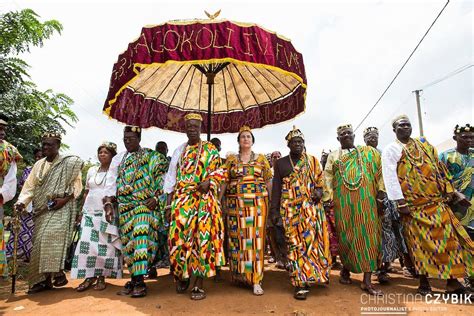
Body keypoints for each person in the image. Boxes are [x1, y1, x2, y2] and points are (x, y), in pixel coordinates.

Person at [382, 115, 473, 295]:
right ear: (394, 130)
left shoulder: (423, 144)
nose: (406, 128)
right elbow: (390, 177)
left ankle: (452, 282)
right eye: (402, 125)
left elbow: (439, 169)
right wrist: (400, 203)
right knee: (419, 245)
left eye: (408, 125)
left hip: (436, 202)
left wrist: (453, 192)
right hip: (413, 206)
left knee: (448, 242)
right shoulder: (391, 149)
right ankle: (424, 283)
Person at [164, 113, 225, 300]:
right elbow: (170, 179)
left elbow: (220, 172)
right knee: (177, 238)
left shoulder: (210, 149)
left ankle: (198, 283)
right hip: (182, 200)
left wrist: (209, 181)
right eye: (189, 127)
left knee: (201, 240)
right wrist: (168, 206)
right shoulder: (179, 151)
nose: (192, 130)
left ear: (201, 128)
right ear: (185, 129)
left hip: (204, 200)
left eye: (195, 127)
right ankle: (183, 274)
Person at [103, 126, 169, 298]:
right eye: (125, 138)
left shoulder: (152, 156)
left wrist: (156, 198)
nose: (127, 141)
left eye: (131, 138)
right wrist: (109, 204)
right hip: (125, 208)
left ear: (139, 138)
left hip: (144, 205)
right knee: (129, 244)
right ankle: (134, 277)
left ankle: (139, 281)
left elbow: (163, 179)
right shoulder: (119, 159)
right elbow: (110, 182)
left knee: (140, 239)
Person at [16, 131, 83, 294]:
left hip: (62, 207)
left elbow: (77, 186)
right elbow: (29, 186)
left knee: (51, 240)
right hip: (42, 209)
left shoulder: (69, 163)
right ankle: (44, 280)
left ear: (58, 146)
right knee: (39, 243)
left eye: (49, 144)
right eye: (44, 144)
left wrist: (64, 200)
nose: (45, 147)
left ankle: (54, 274)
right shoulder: (38, 165)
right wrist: (21, 202)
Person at [271, 126, 331, 300]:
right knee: (296, 246)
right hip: (290, 213)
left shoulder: (312, 161)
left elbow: (321, 181)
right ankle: (300, 282)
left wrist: (319, 192)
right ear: (289, 145)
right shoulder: (281, 163)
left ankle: (314, 275)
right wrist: (274, 211)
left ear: (304, 144)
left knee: (312, 245)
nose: (298, 144)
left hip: (311, 211)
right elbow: (276, 189)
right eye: (294, 142)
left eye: (300, 142)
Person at [323, 124, 384, 296]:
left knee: (369, 238)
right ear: (338, 138)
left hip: (367, 203)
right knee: (346, 237)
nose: (347, 135)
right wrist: (328, 199)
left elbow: (380, 172)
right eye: (343, 134)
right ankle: (345, 270)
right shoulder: (334, 156)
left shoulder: (369, 153)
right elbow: (327, 178)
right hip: (344, 205)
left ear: (354, 135)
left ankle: (367, 281)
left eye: (349, 133)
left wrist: (381, 193)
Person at [219, 126, 272, 296]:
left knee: (255, 241)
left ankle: (256, 279)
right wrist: (219, 201)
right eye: (243, 137)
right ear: (239, 141)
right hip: (236, 206)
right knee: (238, 241)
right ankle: (240, 276)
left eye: (248, 136)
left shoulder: (262, 159)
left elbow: (268, 181)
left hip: (257, 206)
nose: (246, 139)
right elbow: (225, 181)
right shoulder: (232, 160)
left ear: (252, 140)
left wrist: (273, 203)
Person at [71, 142, 122, 291]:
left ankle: (101, 277)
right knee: (86, 245)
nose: (102, 155)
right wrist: (81, 211)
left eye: (106, 152)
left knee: (105, 247)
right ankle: (89, 277)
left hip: (107, 213)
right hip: (89, 212)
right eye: (100, 152)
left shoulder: (116, 171)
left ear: (112, 155)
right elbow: (87, 191)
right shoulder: (92, 170)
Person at [363, 127, 409, 283]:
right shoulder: (361, 156)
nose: (372, 138)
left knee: (389, 234)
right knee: (372, 234)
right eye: (369, 136)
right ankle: (374, 267)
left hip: (387, 199)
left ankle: (385, 268)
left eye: (375, 136)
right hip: (367, 200)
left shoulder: (384, 153)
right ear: (364, 139)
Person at [439, 123, 474, 290]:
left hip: (472, 208)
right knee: (455, 243)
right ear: (455, 138)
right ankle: (454, 281)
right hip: (454, 207)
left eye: (472, 137)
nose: (469, 140)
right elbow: (440, 180)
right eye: (465, 137)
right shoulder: (446, 156)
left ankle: (471, 280)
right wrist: (454, 194)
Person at [6, 148, 43, 263]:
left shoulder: (48, 171)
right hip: (26, 205)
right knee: (20, 229)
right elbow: (22, 185)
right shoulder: (28, 170)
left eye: (40, 156)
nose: (38, 159)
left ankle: (31, 257)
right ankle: (14, 255)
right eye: (36, 157)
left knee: (35, 232)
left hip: (40, 206)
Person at [0, 117, 22, 278]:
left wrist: (2, 195)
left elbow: (11, 178)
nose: (2, 132)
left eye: (3, 129)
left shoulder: (8, 150)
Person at [266, 151, 289, 270]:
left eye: (278, 156)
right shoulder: (268, 171)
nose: (276, 158)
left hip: (286, 205)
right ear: (270, 159)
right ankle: (277, 257)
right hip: (271, 206)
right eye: (274, 157)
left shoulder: (285, 167)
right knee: (272, 233)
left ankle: (286, 258)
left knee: (284, 233)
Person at [321, 150, 341, 270]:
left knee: (337, 232)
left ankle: (336, 259)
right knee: (327, 233)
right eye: (323, 158)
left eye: (326, 158)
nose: (324, 159)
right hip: (324, 207)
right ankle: (330, 259)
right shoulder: (318, 172)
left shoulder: (334, 173)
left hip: (336, 205)